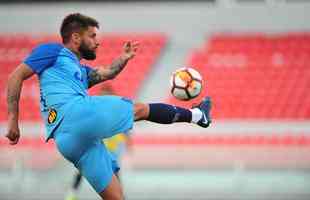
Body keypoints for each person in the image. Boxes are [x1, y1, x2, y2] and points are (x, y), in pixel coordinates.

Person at [5, 13, 212, 200]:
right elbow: (16, 76)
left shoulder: (79, 72)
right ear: (76, 37)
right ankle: (197, 115)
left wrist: (123, 58)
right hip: (74, 114)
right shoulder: (52, 51)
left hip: (68, 141)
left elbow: (108, 73)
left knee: (116, 197)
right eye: (92, 36)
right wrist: (13, 119)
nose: (98, 42)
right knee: (139, 110)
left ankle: (197, 115)